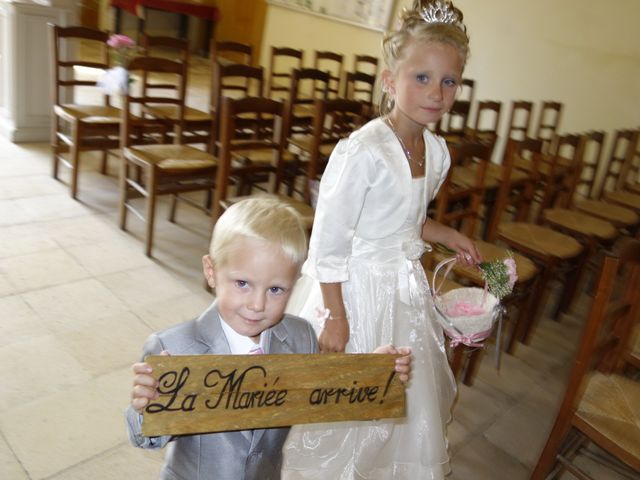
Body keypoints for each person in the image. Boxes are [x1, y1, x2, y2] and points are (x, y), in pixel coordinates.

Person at [282, 1, 481, 478]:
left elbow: (407, 221)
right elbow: (328, 244)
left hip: (402, 291)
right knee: (342, 395)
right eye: (421, 78)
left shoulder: (436, 151)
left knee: (400, 398)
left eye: (448, 81)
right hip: (350, 289)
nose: (436, 93)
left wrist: (448, 233)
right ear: (391, 80)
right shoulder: (362, 152)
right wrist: (334, 316)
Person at [125, 197, 412, 480]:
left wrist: (376, 377)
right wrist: (147, 406)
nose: (257, 304)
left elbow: (324, 392)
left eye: (276, 289)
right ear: (212, 272)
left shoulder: (300, 337)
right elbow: (146, 439)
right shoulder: (172, 349)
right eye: (242, 283)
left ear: (293, 286)